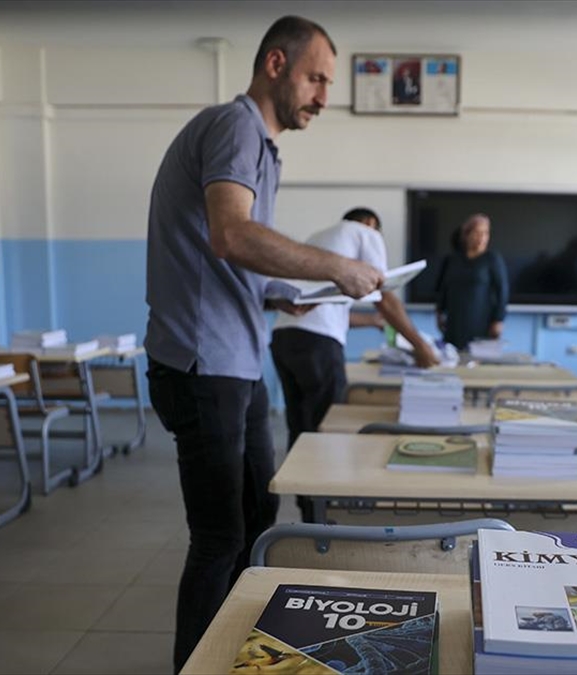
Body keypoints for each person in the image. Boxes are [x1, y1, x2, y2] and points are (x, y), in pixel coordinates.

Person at [142, 16, 385, 672]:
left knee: (257, 513)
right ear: (275, 65)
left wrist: (279, 294)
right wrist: (334, 266)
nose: (323, 96)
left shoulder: (260, 146)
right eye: (315, 78)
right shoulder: (235, 127)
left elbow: (225, 258)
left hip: (237, 361)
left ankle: (237, 652)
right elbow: (231, 235)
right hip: (204, 364)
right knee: (219, 536)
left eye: (328, 83)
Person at [271, 207, 440, 450]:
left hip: (284, 338)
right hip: (319, 344)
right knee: (327, 425)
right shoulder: (365, 232)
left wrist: (373, 322)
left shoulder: (317, 238)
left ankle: (303, 487)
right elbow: (384, 295)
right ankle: (324, 487)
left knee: (300, 426)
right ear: (370, 223)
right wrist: (421, 346)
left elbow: (329, 310)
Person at [435, 213, 509, 349]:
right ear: (466, 235)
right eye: (477, 233)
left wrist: (498, 320)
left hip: (481, 320)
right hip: (455, 321)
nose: (482, 238)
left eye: (485, 233)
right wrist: (439, 312)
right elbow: (442, 288)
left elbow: (502, 291)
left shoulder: (492, 259)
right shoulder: (452, 259)